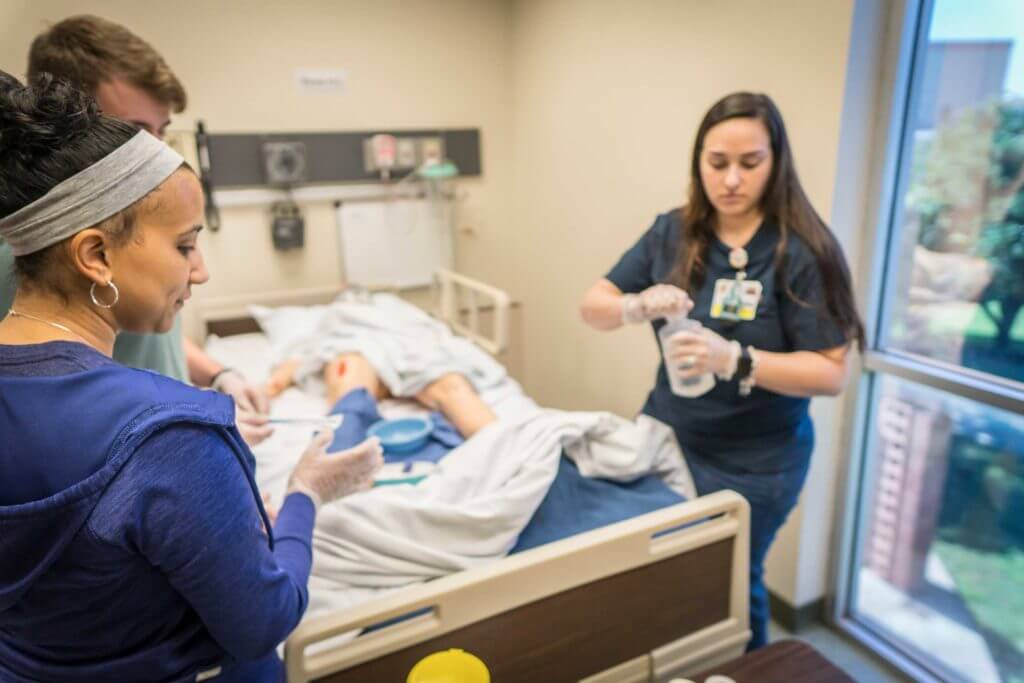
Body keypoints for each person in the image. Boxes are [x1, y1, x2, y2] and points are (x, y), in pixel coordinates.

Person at [0, 74, 383, 682]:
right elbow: (263, 621)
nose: (200, 272)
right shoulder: (172, 435)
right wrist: (308, 493)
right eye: (185, 246)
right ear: (96, 255)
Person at [580, 92, 864, 650]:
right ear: (698, 162)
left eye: (750, 163)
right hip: (667, 433)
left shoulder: (802, 250)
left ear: (776, 163)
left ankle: (742, 667)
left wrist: (735, 360)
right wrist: (632, 307)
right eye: (717, 163)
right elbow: (593, 304)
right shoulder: (673, 231)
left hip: (756, 462)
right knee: (659, 572)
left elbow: (832, 373)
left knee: (730, 585)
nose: (731, 179)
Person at [0, 14, 272, 444]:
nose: (155, 155)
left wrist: (217, 377)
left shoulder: (131, 240)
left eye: (162, 132)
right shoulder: (25, 256)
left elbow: (141, 329)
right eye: (136, 132)